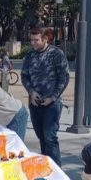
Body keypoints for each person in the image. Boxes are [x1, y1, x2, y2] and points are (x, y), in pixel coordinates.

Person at [21, 27, 69, 166]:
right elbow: (24, 76)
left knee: (50, 137)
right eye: (31, 40)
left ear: (45, 39)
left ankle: (56, 169)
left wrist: (53, 97)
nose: (33, 43)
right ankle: (47, 167)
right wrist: (31, 92)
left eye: (36, 40)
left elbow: (64, 78)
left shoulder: (56, 54)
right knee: (41, 137)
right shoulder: (30, 55)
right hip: (35, 103)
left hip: (52, 104)